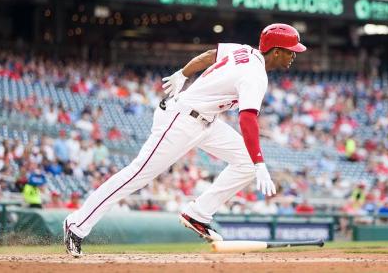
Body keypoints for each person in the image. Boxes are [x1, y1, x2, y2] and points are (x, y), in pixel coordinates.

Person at [63, 23, 306, 257]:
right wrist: (261, 162)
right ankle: (77, 224)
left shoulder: (245, 50)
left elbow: (210, 55)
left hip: (205, 121)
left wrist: (183, 73)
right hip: (181, 121)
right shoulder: (256, 75)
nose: (294, 56)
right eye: (291, 51)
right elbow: (248, 120)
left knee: (245, 162)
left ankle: (198, 214)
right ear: (276, 51)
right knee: (137, 175)